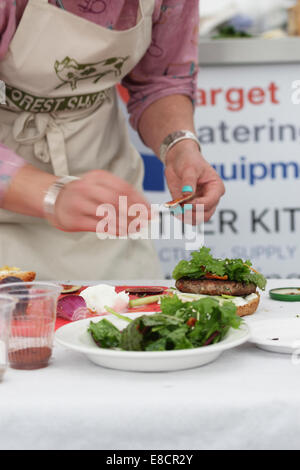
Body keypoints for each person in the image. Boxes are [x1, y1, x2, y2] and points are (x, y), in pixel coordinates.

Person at [0, 0, 225, 280]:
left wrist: (179, 146)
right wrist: (51, 194)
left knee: (130, 316)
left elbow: (160, 80)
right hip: (7, 215)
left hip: (109, 216)